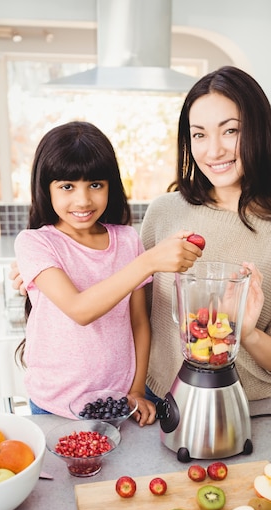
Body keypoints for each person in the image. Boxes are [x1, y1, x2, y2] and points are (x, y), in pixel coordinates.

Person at [140, 65, 271, 402]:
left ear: (259, 132)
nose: (213, 151)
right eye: (199, 134)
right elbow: (131, 305)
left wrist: (247, 333)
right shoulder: (164, 212)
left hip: (249, 412)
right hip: (158, 401)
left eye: (230, 131)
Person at [13, 121, 202, 424]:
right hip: (53, 404)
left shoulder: (127, 240)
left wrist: (138, 389)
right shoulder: (34, 243)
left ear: (110, 186)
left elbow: (139, 323)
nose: (83, 200)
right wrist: (147, 262)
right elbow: (80, 309)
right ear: (46, 189)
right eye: (67, 186)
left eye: (95, 185)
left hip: (117, 400)